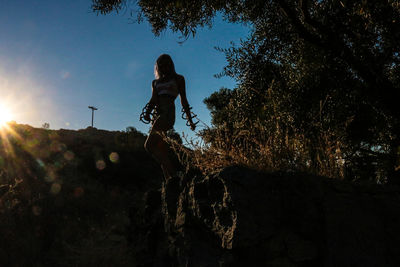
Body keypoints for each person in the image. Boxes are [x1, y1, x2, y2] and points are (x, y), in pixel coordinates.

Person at [143, 54, 196, 180]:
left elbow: (184, 100)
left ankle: (175, 175)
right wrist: (147, 112)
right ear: (158, 67)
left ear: (171, 64)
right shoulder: (155, 82)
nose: (164, 66)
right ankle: (170, 182)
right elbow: (153, 99)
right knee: (161, 148)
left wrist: (190, 119)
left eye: (167, 63)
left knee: (149, 146)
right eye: (161, 64)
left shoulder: (179, 79)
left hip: (167, 114)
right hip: (157, 115)